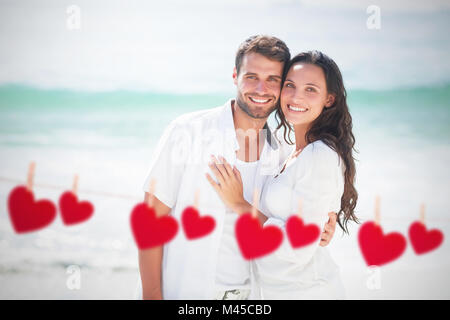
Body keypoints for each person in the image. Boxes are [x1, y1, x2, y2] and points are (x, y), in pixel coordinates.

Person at [139, 36, 338, 300]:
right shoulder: (188, 132)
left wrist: (324, 224)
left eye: (272, 80)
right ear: (235, 76)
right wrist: (152, 294)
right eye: (251, 76)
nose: (261, 89)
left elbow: (292, 223)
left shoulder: (281, 153)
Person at [206, 50, 358, 299]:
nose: (297, 96)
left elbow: (298, 247)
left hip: (309, 292)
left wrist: (239, 204)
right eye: (290, 85)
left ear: (329, 99)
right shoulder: (288, 152)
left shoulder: (320, 154)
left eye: (310, 89)